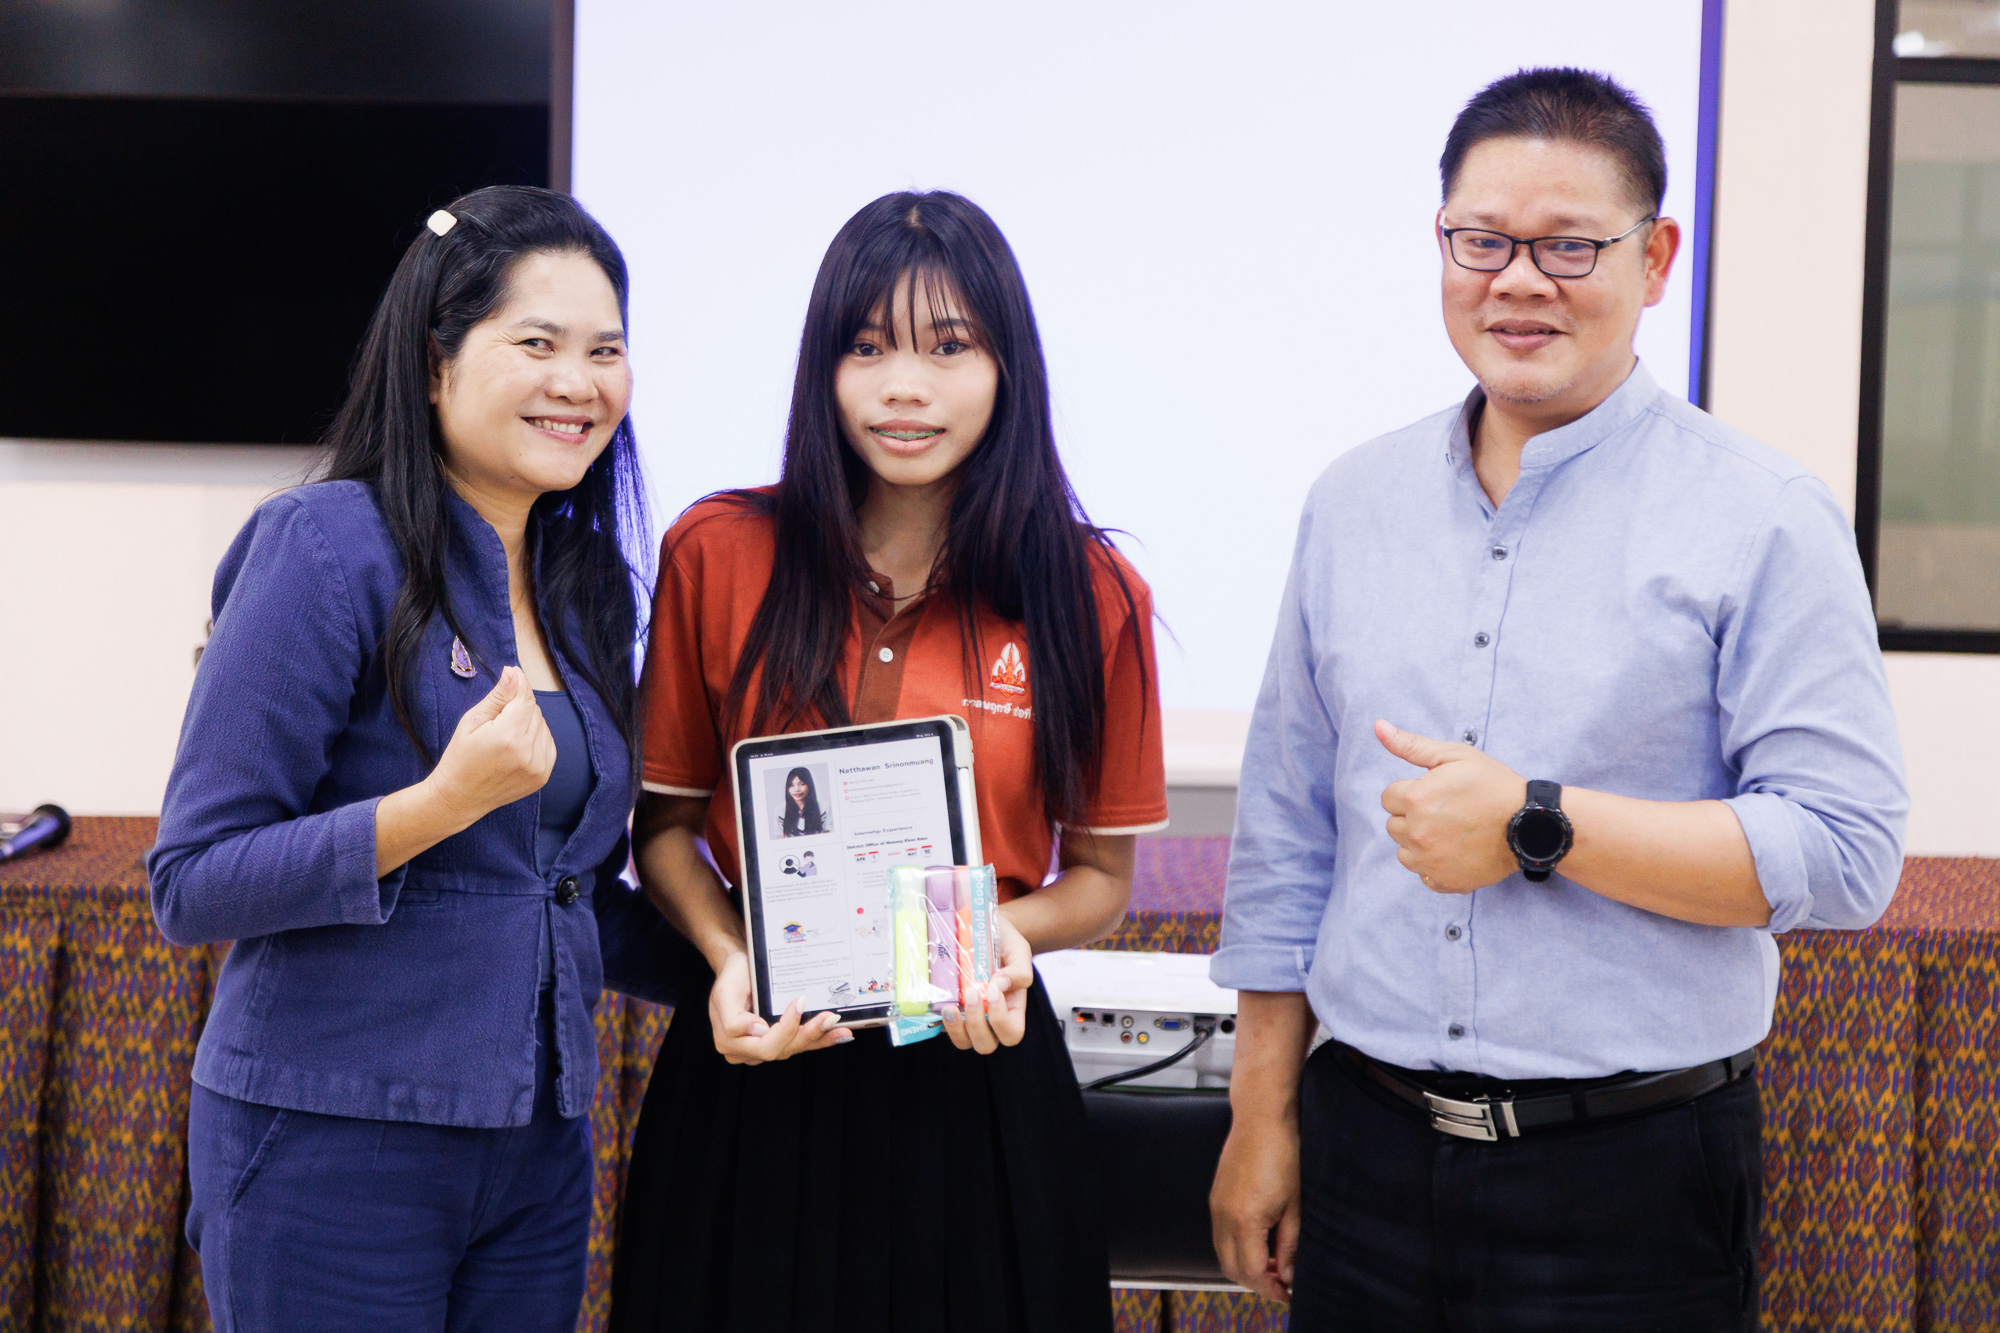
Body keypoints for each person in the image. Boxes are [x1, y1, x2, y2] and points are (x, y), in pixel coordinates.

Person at [1208, 68, 1907, 1332]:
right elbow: (1286, 836)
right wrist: (1260, 1116)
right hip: (1363, 1146)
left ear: (1655, 258)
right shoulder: (1351, 503)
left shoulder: (1760, 517)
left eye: (1568, 246)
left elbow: (1844, 851)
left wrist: (1539, 822)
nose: (1517, 282)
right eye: (1480, 241)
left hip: (1628, 1177)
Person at [610, 191, 1168, 1333]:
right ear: (823, 370)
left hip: (973, 1068)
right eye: (866, 349)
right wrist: (730, 956)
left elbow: (1101, 877)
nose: (904, 387)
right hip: (757, 1062)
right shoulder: (717, 551)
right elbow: (661, 830)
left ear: (1007, 367)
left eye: (948, 347)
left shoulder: (1091, 590)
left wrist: (996, 937)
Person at [147, 186, 686, 1333]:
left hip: (537, 1150)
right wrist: (438, 804)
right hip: (332, 1136)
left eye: (605, 351)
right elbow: (193, 881)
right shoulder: (322, 546)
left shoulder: (587, 582)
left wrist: (754, 968)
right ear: (435, 362)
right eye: (536, 344)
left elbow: (564, 891)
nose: (578, 381)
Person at [777, 764, 829, 836]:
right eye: (792, 785)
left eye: (802, 784)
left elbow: (828, 835)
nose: (797, 789)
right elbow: (781, 838)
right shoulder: (780, 810)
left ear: (809, 785)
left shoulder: (824, 807)